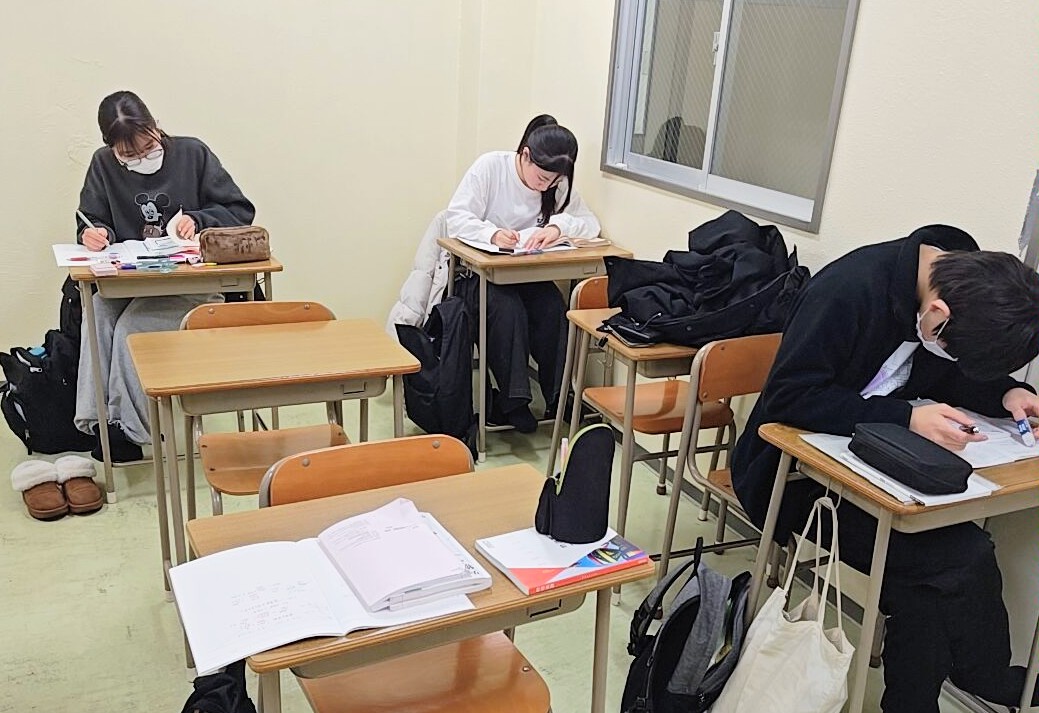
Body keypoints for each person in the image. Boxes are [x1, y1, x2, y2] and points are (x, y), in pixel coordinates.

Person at [731, 224, 1039, 713]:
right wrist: (906, 418)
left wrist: (1007, 392)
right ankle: (985, 676)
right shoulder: (846, 291)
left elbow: (953, 373)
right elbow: (789, 398)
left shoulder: (960, 283)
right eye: (952, 347)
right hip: (792, 475)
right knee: (961, 554)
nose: (951, 356)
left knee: (929, 580)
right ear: (936, 314)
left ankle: (927, 699)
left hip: (878, 473)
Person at [74, 91, 255, 461]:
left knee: (131, 327)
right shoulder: (102, 164)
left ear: (155, 127)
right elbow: (90, 219)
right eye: (129, 155)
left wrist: (199, 220)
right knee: (99, 312)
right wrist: (93, 234)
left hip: (190, 285)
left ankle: (130, 431)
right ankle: (99, 423)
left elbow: (240, 210)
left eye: (147, 146)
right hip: (131, 281)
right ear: (111, 148)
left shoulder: (193, 154)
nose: (142, 158)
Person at [446, 114, 601, 432]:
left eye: (554, 181)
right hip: (477, 278)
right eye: (542, 178)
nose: (547, 186)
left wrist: (558, 228)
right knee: (508, 310)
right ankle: (513, 401)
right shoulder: (490, 168)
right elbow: (456, 218)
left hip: (526, 276)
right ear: (525, 155)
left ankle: (560, 396)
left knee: (554, 308)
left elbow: (589, 223)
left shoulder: (557, 185)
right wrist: (491, 234)